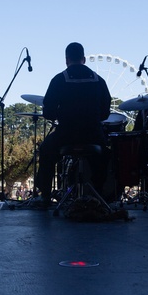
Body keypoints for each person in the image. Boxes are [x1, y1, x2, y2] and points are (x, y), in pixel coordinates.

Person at [36, 42, 112, 206]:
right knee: (105, 155)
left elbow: (48, 112)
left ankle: (45, 196)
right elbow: (106, 112)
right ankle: (99, 195)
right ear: (84, 59)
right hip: (93, 134)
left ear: (66, 60)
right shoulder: (99, 80)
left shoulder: (58, 79)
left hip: (66, 134)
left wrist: (60, 115)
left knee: (45, 151)